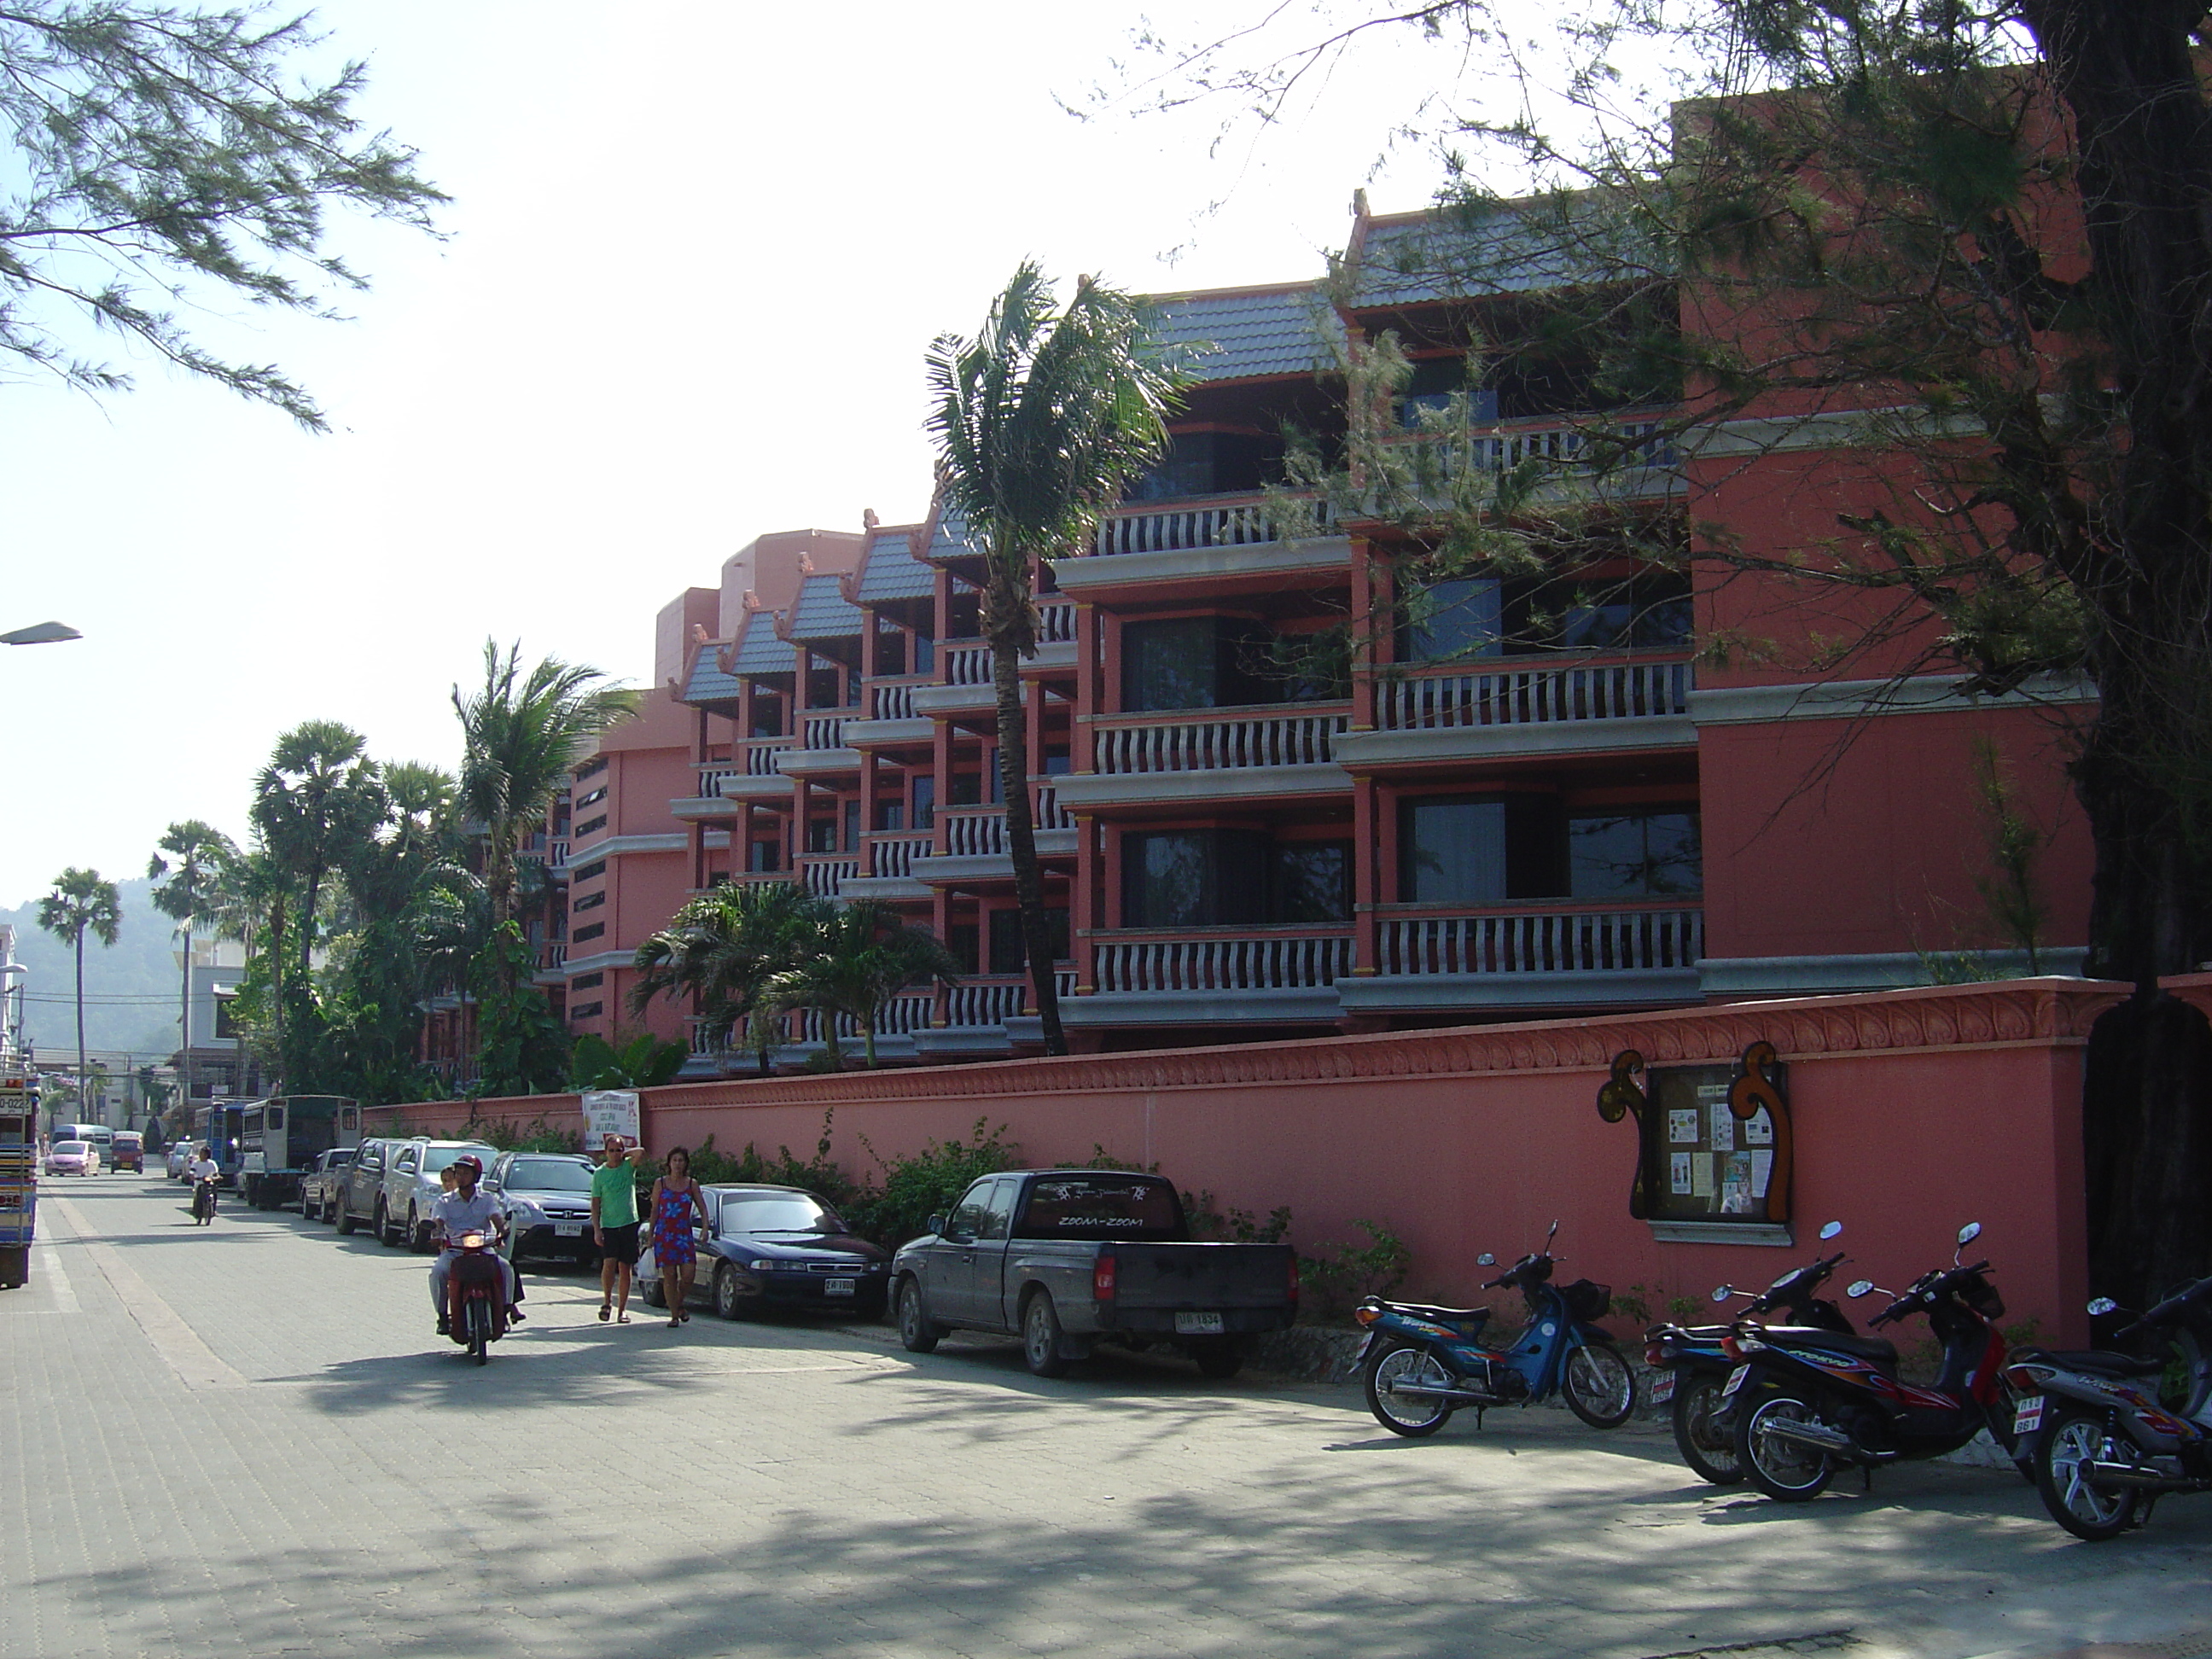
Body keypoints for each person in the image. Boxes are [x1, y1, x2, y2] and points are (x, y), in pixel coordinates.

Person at [428, 1155, 522, 1337]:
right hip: (455, 1251)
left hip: (483, 1249)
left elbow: (496, 1217)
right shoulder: (445, 1201)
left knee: (505, 1268)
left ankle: (506, 1307)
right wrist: (437, 1233)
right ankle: (441, 1316)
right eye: (458, 1173)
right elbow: (438, 1220)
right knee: (438, 1272)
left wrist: (503, 1230)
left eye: (466, 1173)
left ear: (476, 1176)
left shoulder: (486, 1199)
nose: (461, 1177)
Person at [648, 1147, 711, 1328]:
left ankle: (677, 1301)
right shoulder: (660, 1183)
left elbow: (702, 1208)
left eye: (681, 1161)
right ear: (669, 1163)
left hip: (684, 1235)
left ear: (685, 1164)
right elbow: (654, 1210)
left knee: (688, 1275)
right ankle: (674, 1315)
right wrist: (650, 1235)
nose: (677, 1164)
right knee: (669, 1276)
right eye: (674, 1160)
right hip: (665, 1234)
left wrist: (705, 1229)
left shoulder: (691, 1184)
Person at [591, 1134, 644, 1324]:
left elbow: (641, 1153)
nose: (615, 1154)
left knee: (625, 1267)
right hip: (609, 1225)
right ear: (605, 1153)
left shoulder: (628, 1167)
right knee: (609, 1263)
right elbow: (596, 1203)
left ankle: (622, 1310)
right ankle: (607, 1302)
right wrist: (597, 1229)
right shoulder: (599, 1173)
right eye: (612, 1150)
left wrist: (625, 1153)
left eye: (618, 1150)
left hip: (628, 1223)